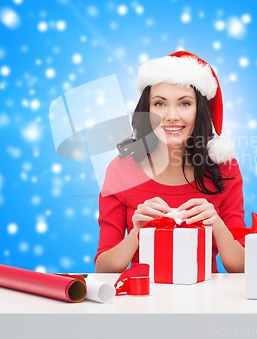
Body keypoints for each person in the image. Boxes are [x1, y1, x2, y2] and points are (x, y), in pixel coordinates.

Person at [95, 51, 246, 273]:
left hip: (206, 300)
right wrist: (138, 232)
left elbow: (241, 267)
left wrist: (216, 224)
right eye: (160, 104)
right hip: (143, 300)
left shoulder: (225, 167)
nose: (171, 116)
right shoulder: (121, 170)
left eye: (184, 104)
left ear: (199, 111)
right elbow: (103, 268)